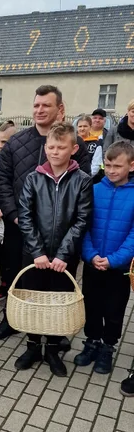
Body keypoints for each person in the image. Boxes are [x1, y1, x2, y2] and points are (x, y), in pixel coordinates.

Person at [0, 84, 91, 341]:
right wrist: (14, 215)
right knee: (17, 275)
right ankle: (13, 319)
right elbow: (1, 179)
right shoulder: (17, 141)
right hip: (19, 225)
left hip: (61, 232)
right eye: (36, 105)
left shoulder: (75, 143)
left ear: (60, 109)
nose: (39, 110)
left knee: (58, 285)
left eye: (46, 105)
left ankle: (56, 333)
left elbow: (83, 185)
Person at [16, 122, 92, 376]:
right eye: (51, 147)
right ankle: (33, 346)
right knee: (34, 300)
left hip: (64, 259)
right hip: (34, 256)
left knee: (57, 303)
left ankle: (53, 350)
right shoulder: (33, 178)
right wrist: (37, 251)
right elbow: (25, 216)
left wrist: (63, 255)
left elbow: (82, 219)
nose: (55, 152)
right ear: (45, 147)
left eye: (61, 147)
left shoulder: (82, 181)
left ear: (73, 148)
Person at [74, 142, 134, 380]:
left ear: (131, 166)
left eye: (117, 166)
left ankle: (108, 346)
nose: (110, 170)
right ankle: (92, 341)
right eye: (107, 165)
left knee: (114, 309)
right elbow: (84, 225)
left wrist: (114, 259)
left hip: (118, 267)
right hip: (93, 262)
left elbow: (133, 235)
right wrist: (90, 255)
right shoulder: (95, 189)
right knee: (92, 304)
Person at [0, 121, 17, 301]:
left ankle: (15, 286)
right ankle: (5, 283)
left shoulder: (21, 161)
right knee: (3, 254)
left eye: (4, 142)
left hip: (14, 215)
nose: (0, 146)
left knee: (14, 254)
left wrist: (5, 208)